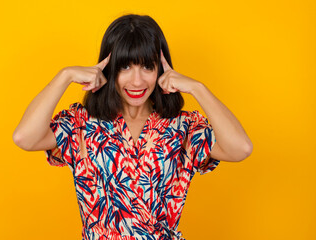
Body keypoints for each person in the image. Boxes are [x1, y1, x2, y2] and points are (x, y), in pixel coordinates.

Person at [13, 14, 253, 240]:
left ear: (160, 68)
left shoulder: (184, 126)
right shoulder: (81, 123)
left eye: (147, 67)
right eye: (125, 67)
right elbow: (25, 137)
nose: (137, 81)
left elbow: (240, 148)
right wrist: (64, 76)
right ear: (108, 68)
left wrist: (198, 89)